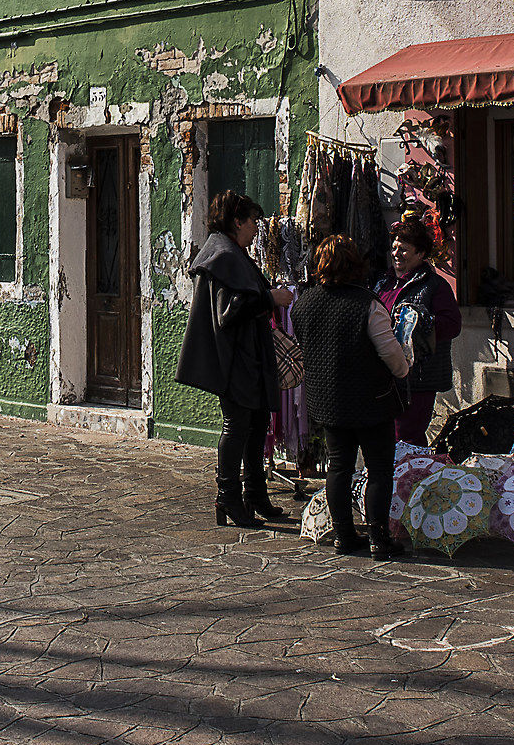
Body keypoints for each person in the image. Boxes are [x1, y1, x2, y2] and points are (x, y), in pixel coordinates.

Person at [174, 190, 296, 529]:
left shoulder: (232, 252)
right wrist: (271, 297)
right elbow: (230, 311)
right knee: (237, 426)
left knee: (256, 425)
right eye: (253, 221)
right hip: (234, 358)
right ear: (236, 221)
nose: (257, 228)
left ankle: (255, 493)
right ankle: (227, 495)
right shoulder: (223, 256)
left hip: (249, 356)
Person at [295, 234, 411, 557]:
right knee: (379, 468)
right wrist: (403, 370)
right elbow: (391, 354)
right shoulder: (367, 305)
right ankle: (378, 537)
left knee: (339, 467)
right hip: (371, 402)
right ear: (355, 265)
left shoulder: (305, 303)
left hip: (329, 402)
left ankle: (344, 536)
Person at [380, 214, 463, 450]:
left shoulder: (434, 286)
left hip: (417, 378)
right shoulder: (383, 282)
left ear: (421, 254)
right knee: (387, 438)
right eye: (394, 247)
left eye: (404, 249)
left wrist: (416, 322)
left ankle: (412, 481)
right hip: (386, 376)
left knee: (407, 436)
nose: (396, 253)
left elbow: (452, 325)